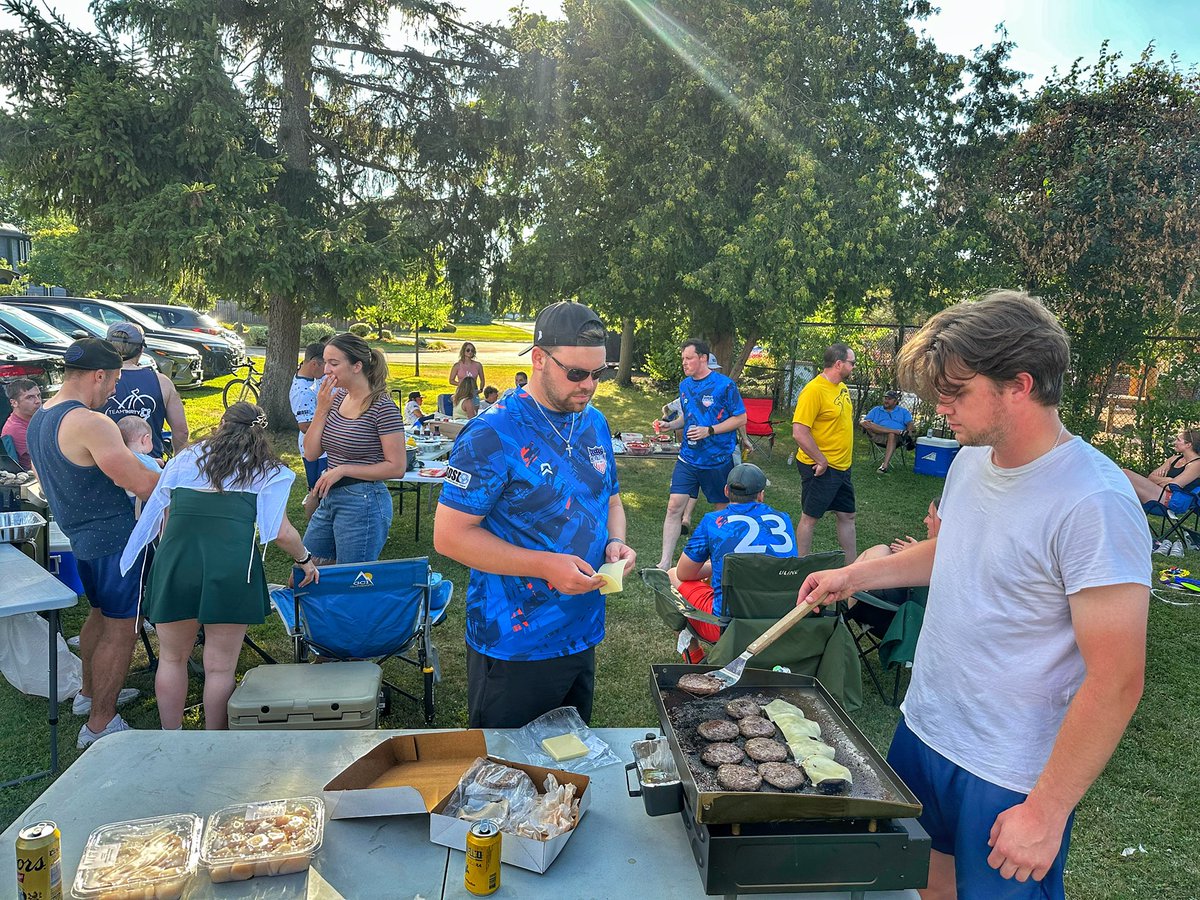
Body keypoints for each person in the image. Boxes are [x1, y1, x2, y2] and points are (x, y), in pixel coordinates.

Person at [794, 291, 1150, 900]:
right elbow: (954, 552)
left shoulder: (1094, 501)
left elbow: (1117, 678)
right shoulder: (970, 462)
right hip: (926, 728)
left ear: (1019, 384)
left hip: (1008, 768)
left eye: (956, 392)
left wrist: (1046, 810)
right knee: (920, 887)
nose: (941, 408)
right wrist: (853, 576)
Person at [433, 300, 636, 728]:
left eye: (596, 373)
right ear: (539, 359)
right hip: (514, 642)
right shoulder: (491, 433)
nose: (589, 386)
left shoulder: (593, 421)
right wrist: (545, 565)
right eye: (576, 373)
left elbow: (611, 499)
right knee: (505, 780)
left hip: (581, 629)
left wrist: (616, 542)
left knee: (567, 769)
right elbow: (450, 536)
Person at [120, 402, 319, 730]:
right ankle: (215, 740)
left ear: (222, 424)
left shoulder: (184, 458)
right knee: (220, 667)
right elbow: (279, 532)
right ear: (260, 433)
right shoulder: (270, 470)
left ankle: (172, 735)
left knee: (172, 658)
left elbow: (159, 515)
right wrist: (305, 559)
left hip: (177, 562)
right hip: (230, 568)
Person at [25, 338, 161, 748]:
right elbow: (140, 483)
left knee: (99, 615)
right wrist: (179, 479)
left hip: (81, 534)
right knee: (123, 628)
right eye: (116, 379)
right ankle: (101, 723)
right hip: (116, 539)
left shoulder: (41, 415)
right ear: (99, 375)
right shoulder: (92, 422)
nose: (117, 389)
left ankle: (89, 695)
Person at [669, 463, 796, 657]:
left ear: (726, 491)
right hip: (780, 621)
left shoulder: (713, 521)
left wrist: (717, 566)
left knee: (671, 576)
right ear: (761, 494)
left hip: (727, 625)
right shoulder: (784, 519)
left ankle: (693, 654)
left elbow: (683, 573)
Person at [303, 332, 406, 563]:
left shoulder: (383, 408)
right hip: (330, 497)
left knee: (351, 581)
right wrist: (321, 410)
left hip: (364, 501)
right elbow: (311, 453)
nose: (326, 370)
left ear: (357, 366)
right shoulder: (337, 399)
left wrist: (343, 469)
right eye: (325, 362)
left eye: (334, 363)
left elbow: (397, 467)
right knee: (304, 571)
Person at [654, 339, 746, 569]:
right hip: (688, 458)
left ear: (703, 358)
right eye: (683, 359)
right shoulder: (685, 385)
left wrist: (710, 430)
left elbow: (740, 418)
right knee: (674, 505)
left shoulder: (724, 385)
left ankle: (720, 560)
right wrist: (671, 425)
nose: (684, 363)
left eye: (689, 358)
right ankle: (664, 562)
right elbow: (688, 416)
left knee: (721, 510)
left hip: (717, 459)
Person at [792, 343, 857, 562]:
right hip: (820, 467)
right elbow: (799, 432)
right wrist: (821, 459)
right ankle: (799, 569)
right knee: (810, 518)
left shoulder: (842, 388)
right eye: (852, 363)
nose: (853, 367)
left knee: (847, 515)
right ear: (839, 364)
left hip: (842, 467)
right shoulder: (814, 390)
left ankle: (851, 569)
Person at [100, 322, 189, 460]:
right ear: (141, 349)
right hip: (150, 466)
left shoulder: (95, 380)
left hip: (104, 467)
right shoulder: (162, 382)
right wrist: (176, 462)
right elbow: (181, 431)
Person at [1121, 428, 1200, 505]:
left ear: (1188, 445)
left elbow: (1172, 486)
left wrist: (1161, 482)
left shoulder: (1196, 464)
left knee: (1126, 474)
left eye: (1178, 440)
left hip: (1171, 499)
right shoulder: (1173, 459)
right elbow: (1151, 477)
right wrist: (1167, 479)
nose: (1174, 442)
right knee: (1124, 477)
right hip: (1159, 493)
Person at [290, 341, 328, 492]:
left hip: (320, 445)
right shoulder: (303, 392)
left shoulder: (307, 377)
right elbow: (305, 426)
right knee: (318, 490)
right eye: (325, 365)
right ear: (314, 364)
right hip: (314, 447)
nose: (327, 370)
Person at [861, 389, 916, 473]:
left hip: (896, 438)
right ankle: (895, 431)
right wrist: (896, 431)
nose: (886, 401)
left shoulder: (903, 411)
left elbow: (910, 423)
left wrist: (909, 433)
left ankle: (884, 465)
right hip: (878, 436)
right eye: (885, 398)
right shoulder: (876, 410)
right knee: (865, 422)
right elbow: (865, 422)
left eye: (889, 399)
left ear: (895, 401)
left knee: (891, 435)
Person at [2, 377, 41, 469]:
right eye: (30, 397)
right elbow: (44, 457)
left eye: (38, 395)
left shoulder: (35, 418)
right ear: (14, 403)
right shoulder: (15, 428)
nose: (38, 401)